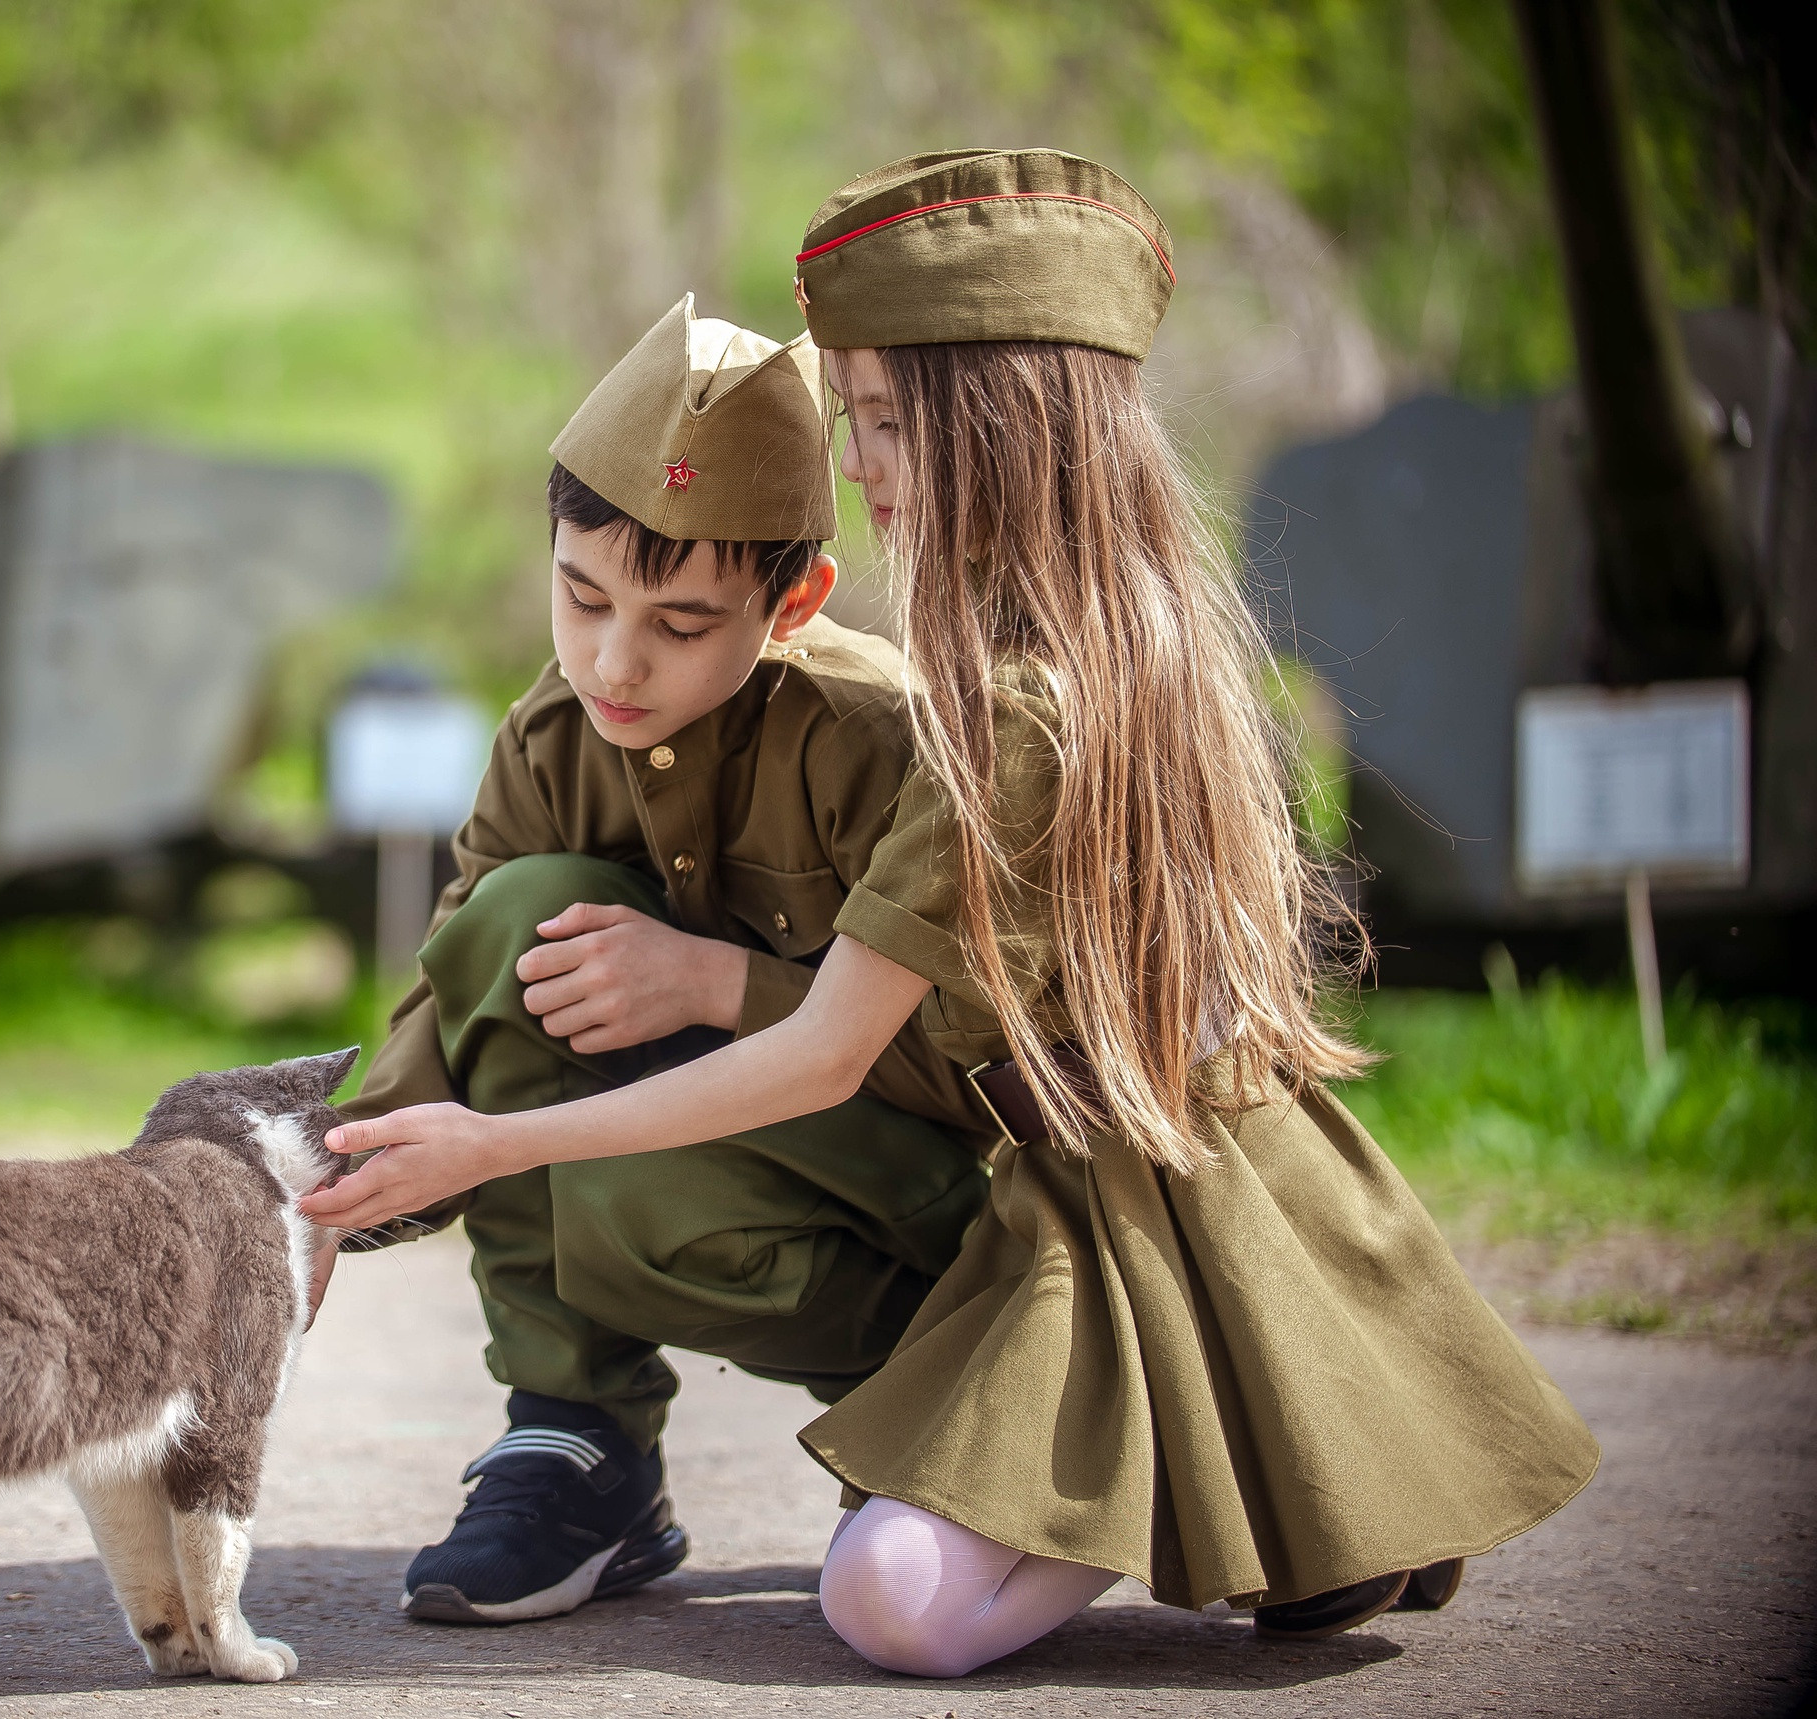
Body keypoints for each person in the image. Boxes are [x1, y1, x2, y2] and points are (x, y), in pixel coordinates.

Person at [305, 149, 1600, 1676]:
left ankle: (1268, 1472)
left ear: (1001, 430)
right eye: (854, 417)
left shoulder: (1020, 713)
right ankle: (1264, 1489)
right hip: (1068, 1194)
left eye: (882, 420)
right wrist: (337, 1168)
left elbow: (829, 1058)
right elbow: (487, 944)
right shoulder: (1073, 652)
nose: (857, 460)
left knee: (892, 1605)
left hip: (1158, 1212)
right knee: (892, 1577)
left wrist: (497, 1145)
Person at [325, 293, 1006, 1626]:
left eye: (683, 625)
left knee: (638, 1199)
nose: (614, 662)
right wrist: (337, 1182)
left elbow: (982, 1075)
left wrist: (717, 984)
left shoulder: (888, 743)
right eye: (581, 596)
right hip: (683, 1158)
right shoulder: (555, 730)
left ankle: (922, 1401)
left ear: (794, 601)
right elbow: (458, 978)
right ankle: (575, 1442)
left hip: (907, 1210)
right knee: (520, 920)